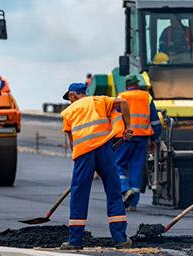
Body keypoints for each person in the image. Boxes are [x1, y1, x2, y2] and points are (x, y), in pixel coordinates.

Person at [59, 82, 133, 250]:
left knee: (79, 194)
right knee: (114, 191)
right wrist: (128, 126)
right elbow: (123, 102)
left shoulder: (68, 112)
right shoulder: (99, 100)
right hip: (105, 150)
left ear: (72, 95)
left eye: (69, 98)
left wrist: (81, 166)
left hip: (84, 154)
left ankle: (75, 241)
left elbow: (72, 144)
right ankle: (120, 238)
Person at [112, 74, 162, 211]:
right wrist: (155, 138)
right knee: (137, 168)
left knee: (118, 164)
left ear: (127, 86)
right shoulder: (147, 97)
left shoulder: (121, 97)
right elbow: (155, 121)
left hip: (125, 137)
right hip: (142, 138)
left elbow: (114, 118)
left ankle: (125, 189)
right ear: (138, 85)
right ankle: (133, 204)